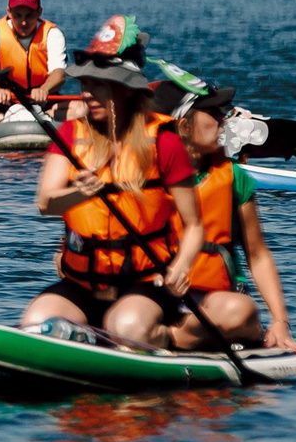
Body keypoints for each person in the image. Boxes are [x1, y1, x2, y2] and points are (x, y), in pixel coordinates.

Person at [17, 17, 204, 351]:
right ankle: (90, 336)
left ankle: (169, 337)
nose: (87, 93)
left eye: (99, 84)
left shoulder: (165, 142)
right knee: (35, 324)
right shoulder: (70, 135)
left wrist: (181, 266)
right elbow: (45, 204)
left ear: (125, 89)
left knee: (129, 331)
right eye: (85, 83)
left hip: (145, 281)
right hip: (84, 283)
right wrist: (78, 192)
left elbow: (193, 226)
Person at [156, 65, 296, 352]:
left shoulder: (235, 178)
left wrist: (280, 321)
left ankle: (166, 338)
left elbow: (257, 255)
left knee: (241, 312)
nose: (224, 120)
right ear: (183, 124)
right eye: (214, 113)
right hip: (154, 293)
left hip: (217, 301)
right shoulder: (143, 174)